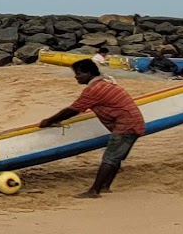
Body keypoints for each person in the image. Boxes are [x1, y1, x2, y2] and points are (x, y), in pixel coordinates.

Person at [39, 59, 146, 198]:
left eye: (78, 74)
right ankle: (105, 186)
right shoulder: (104, 84)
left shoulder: (94, 89)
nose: (76, 77)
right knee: (115, 156)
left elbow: (72, 110)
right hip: (133, 122)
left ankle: (94, 191)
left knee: (110, 158)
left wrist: (48, 121)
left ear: (88, 73)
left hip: (126, 124)